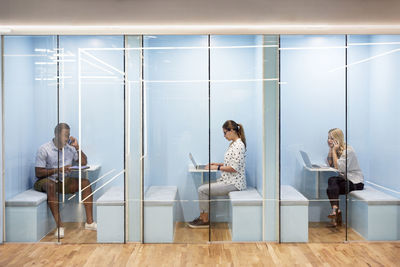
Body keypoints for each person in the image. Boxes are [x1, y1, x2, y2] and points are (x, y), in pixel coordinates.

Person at [34, 123, 97, 238]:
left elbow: (83, 162)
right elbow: (38, 173)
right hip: (45, 181)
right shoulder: (44, 149)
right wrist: (59, 169)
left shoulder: (70, 149)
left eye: (68, 135)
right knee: (51, 185)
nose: (67, 138)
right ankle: (60, 226)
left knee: (85, 183)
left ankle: (89, 222)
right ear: (56, 134)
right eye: (65, 135)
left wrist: (77, 148)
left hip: (63, 180)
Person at [188, 120, 247, 228]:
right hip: (229, 180)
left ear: (232, 130)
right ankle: (203, 216)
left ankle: (204, 220)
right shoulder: (233, 144)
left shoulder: (239, 145)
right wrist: (218, 163)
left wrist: (217, 167)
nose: (224, 136)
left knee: (202, 190)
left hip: (234, 183)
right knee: (203, 186)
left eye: (225, 133)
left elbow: (234, 168)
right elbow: (232, 162)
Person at [326, 128, 364, 227]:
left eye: (331, 138)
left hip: (355, 182)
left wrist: (333, 150)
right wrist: (331, 149)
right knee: (331, 181)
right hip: (345, 179)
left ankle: (336, 211)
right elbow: (330, 164)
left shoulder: (348, 151)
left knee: (331, 187)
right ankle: (336, 209)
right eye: (328, 138)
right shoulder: (337, 150)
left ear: (338, 139)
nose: (329, 140)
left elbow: (338, 167)